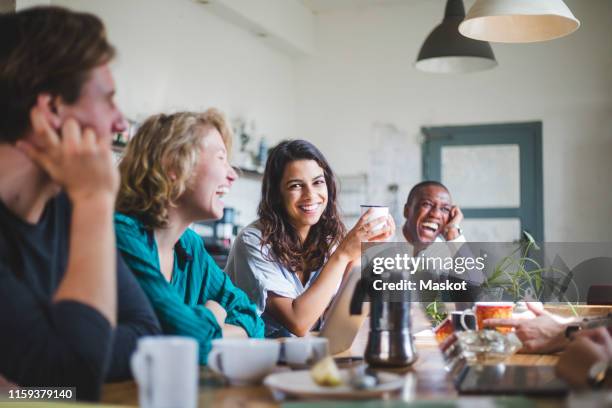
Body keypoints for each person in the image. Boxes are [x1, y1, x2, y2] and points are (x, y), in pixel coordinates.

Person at [0, 6, 161, 401]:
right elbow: (74, 378)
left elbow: (147, 337)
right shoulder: (86, 203)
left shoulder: (68, 210)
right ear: (53, 110)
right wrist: (94, 198)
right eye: (108, 100)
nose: (120, 123)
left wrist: (32, 384)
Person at [114, 110, 264, 364]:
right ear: (174, 165)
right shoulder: (121, 234)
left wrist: (204, 327)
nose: (233, 174)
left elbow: (253, 320)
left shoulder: (189, 246)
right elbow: (185, 335)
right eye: (221, 159)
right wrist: (213, 314)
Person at [226, 139, 395, 338]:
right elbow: (298, 322)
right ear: (277, 194)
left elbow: (337, 318)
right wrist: (342, 255)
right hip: (257, 360)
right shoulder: (253, 241)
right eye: (296, 185)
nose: (310, 195)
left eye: (318, 182)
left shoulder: (328, 238)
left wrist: (361, 255)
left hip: (305, 356)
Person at [402, 180, 465, 253]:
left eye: (445, 209)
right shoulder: (387, 242)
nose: (436, 214)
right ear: (407, 211)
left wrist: (452, 230)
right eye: (427, 204)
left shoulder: (444, 249)